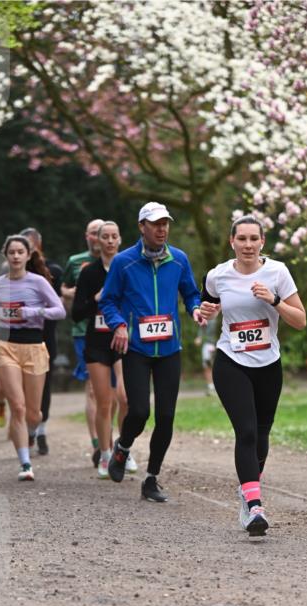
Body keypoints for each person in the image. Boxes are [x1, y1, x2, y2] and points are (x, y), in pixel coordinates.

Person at [200, 215, 306, 536]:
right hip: (231, 362)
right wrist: (202, 311)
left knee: (261, 435)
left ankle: (247, 491)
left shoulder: (278, 272)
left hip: (268, 366)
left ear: (263, 242)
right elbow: (207, 303)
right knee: (245, 432)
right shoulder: (218, 276)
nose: (247, 244)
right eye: (241, 238)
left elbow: (300, 320)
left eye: (253, 239)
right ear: (231, 241)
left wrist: (273, 300)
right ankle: (255, 504)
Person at [101, 202, 205, 502]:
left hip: (170, 348)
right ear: (141, 227)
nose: (162, 229)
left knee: (166, 416)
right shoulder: (124, 262)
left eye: (165, 223)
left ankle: (151, 478)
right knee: (139, 411)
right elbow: (108, 301)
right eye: (155, 224)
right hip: (136, 348)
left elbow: (190, 292)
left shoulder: (179, 259)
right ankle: (123, 447)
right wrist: (119, 325)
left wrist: (195, 309)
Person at [0, 234, 65, 481]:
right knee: (17, 407)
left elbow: (60, 310)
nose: (16, 256)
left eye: (21, 252)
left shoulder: (39, 282)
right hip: (6, 345)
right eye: (12, 252)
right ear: (6, 255)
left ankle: (32, 430)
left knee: (34, 413)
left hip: (34, 346)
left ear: (29, 255)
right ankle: (25, 463)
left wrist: (32, 311)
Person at [71, 221, 133, 479]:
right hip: (96, 343)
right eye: (104, 236)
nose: (109, 241)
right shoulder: (89, 272)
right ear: (97, 241)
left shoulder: (129, 269)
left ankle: (123, 450)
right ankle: (105, 454)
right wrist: (95, 300)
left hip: (123, 341)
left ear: (120, 240)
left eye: (113, 236)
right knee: (104, 402)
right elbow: (76, 313)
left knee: (126, 398)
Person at [61, 219, 103, 464]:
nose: (98, 238)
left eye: (102, 233)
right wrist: (76, 292)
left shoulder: (118, 261)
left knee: (112, 390)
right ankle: (97, 444)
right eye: (94, 234)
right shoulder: (75, 261)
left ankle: (108, 436)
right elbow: (62, 289)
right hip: (82, 330)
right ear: (87, 236)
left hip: (112, 329)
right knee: (92, 388)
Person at [20, 227, 63, 456]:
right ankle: (25, 426)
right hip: (18, 339)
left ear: (38, 246)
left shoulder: (53, 272)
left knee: (44, 386)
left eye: (30, 246)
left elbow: (56, 307)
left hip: (45, 338)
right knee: (22, 388)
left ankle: (41, 428)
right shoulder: (11, 275)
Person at [194, 313, 218, 395]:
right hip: (209, 344)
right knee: (208, 365)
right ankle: (211, 386)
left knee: (211, 365)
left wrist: (199, 338)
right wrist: (199, 337)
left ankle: (213, 385)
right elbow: (201, 329)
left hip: (214, 344)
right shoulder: (206, 317)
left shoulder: (218, 316)